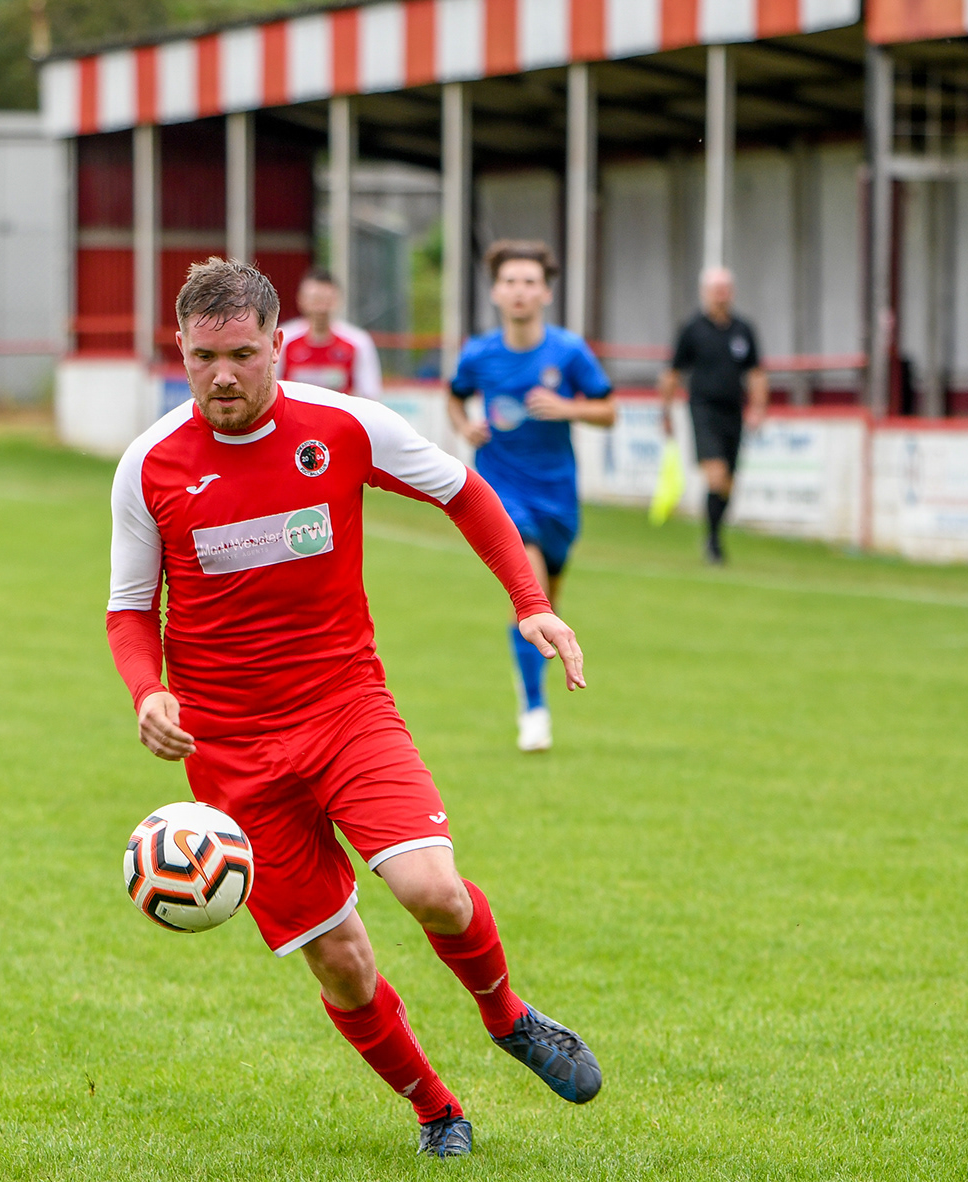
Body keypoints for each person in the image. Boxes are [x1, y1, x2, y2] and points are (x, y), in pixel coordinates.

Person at [107, 257, 601, 1161]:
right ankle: (436, 1110)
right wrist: (150, 693)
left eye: (243, 356)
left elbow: (464, 491)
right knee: (340, 959)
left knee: (433, 892)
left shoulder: (343, 428)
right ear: (179, 346)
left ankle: (508, 1017)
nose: (222, 376)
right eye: (204, 356)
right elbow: (131, 608)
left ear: (278, 347)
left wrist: (530, 602)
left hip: (344, 708)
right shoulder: (148, 467)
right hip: (228, 752)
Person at [445, 241, 614, 754]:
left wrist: (567, 409)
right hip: (502, 493)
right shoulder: (478, 353)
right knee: (531, 591)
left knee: (547, 602)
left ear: (545, 291)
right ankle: (534, 711)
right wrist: (464, 428)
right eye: (510, 282)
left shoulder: (568, 352)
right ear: (496, 291)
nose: (519, 291)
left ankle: (531, 687)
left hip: (558, 495)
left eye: (529, 282)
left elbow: (608, 411)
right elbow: (455, 395)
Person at [657, 267, 769, 565]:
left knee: (729, 481)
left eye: (725, 289)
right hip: (703, 409)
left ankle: (714, 534)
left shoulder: (743, 330)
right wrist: (665, 411)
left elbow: (756, 372)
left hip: (734, 410)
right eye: (715, 289)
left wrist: (758, 407)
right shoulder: (693, 329)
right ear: (705, 292)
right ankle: (714, 542)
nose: (721, 295)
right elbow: (673, 372)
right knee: (716, 474)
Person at [275, 268, 383, 400]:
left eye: (327, 300)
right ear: (301, 300)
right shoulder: (283, 339)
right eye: (316, 299)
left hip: (341, 419)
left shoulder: (358, 341)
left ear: (338, 300)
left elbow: (370, 394)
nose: (321, 308)